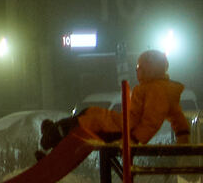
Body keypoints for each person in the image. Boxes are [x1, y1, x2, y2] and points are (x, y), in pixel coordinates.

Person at [41, 50, 192, 153]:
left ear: (149, 70)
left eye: (139, 67)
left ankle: (51, 137)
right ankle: (54, 131)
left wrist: (133, 140)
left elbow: (150, 122)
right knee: (89, 111)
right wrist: (183, 136)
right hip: (124, 123)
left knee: (86, 122)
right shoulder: (160, 88)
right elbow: (178, 118)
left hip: (124, 130)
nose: (136, 70)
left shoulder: (155, 90)